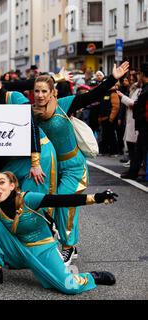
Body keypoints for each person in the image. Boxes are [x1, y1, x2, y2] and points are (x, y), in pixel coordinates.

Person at [0, 171, 118, 294]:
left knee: (69, 287)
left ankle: (91, 277)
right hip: (18, 250)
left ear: (12, 185)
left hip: (42, 249)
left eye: (1, 182)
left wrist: (96, 197)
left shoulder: (28, 199)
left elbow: (62, 200)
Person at [32, 61, 130, 265]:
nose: (40, 95)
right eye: (37, 91)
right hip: (51, 169)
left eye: (44, 91)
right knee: (45, 205)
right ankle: (60, 244)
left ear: (52, 93)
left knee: (64, 204)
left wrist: (112, 78)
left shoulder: (64, 105)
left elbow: (93, 95)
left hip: (73, 166)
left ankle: (68, 247)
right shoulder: (31, 114)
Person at [0, 70, 57, 223]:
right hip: (15, 157)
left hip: (37, 152)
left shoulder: (14, 97)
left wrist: (35, 163)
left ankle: (37, 239)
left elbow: (31, 125)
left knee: (28, 201)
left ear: (0, 85)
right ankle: (2, 237)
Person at [122, 63, 148, 181]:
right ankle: (136, 171)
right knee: (139, 149)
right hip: (141, 123)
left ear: (142, 74)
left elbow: (137, 105)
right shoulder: (142, 88)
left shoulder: (145, 89)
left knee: (141, 149)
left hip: (144, 124)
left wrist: (122, 97)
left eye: (137, 74)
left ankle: (137, 171)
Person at [117, 71, 143, 174]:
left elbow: (134, 104)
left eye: (133, 79)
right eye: (130, 79)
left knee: (135, 148)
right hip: (130, 121)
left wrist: (122, 96)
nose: (131, 81)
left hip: (135, 121)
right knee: (131, 146)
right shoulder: (133, 89)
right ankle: (132, 169)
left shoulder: (139, 89)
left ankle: (135, 170)